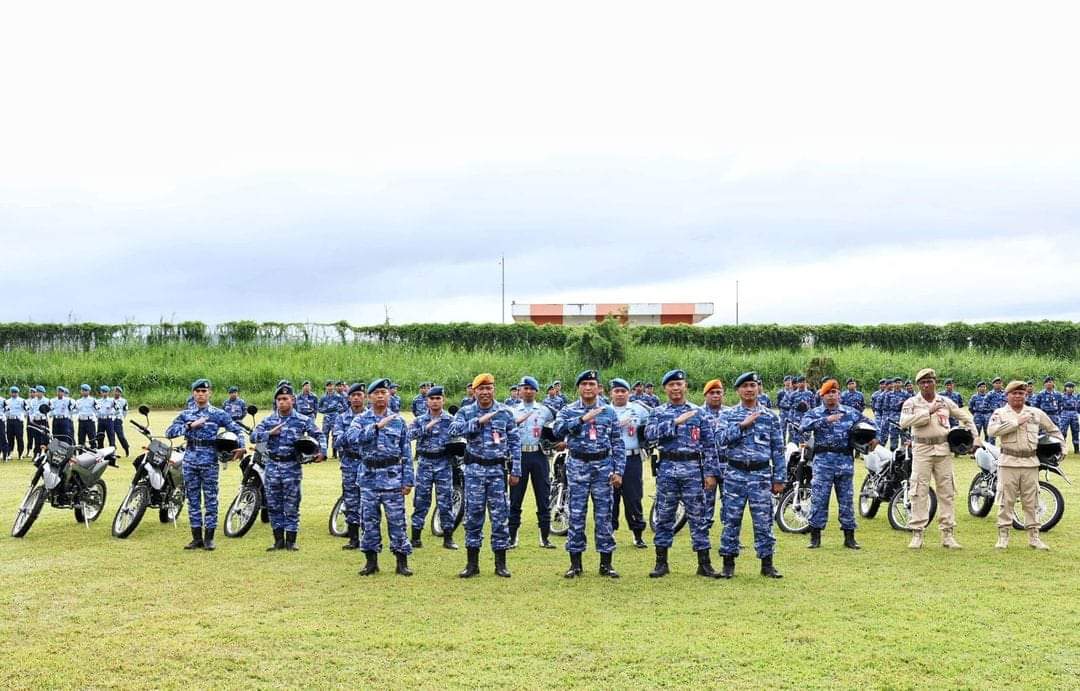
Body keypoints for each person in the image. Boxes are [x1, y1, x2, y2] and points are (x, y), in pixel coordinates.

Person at [644, 369, 722, 579]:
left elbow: (709, 445)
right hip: (668, 468)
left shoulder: (699, 413)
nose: (675, 388)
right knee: (664, 516)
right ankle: (661, 563)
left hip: (693, 471)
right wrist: (674, 423)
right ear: (665, 389)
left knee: (699, 517)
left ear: (685, 386)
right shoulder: (658, 412)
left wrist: (711, 473)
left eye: (679, 384)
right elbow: (648, 435)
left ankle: (704, 564)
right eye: (671, 385)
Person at [553, 370, 625, 579]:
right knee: (576, 514)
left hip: (603, 466)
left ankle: (606, 564)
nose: (588, 388)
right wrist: (582, 419)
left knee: (604, 516)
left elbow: (618, 443)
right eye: (584, 384)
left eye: (592, 384)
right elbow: (558, 431)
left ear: (598, 388)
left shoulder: (609, 411)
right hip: (578, 465)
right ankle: (575, 564)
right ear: (578, 388)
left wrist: (619, 471)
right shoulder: (568, 410)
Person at [449, 373, 521, 578]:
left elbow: (515, 442)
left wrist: (516, 470)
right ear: (474, 391)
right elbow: (454, 430)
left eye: (489, 388)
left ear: (494, 390)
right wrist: (478, 422)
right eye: (481, 389)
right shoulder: (466, 411)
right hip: (474, 472)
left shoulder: (505, 412)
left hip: (498, 471)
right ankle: (472, 564)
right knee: (473, 517)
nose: (485, 392)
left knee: (500, 516)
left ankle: (501, 564)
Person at [716, 372, 786, 579]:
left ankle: (767, 564)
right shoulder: (728, 415)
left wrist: (779, 478)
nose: (749, 389)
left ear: (758, 388)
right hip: (735, 473)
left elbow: (778, 449)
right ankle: (728, 564)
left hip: (761, 474)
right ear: (738, 391)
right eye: (745, 386)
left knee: (763, 521)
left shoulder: (770, 416)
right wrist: (741, 426)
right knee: (731, 519)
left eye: (752, 385)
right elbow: (719, 439)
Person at [899, 368, 979, 549]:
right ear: (918, 385)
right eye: (922, 383)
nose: (926, 385)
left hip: (943, 449)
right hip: (922, 449)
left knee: (947, 492)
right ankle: (917, 533)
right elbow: (904, 422)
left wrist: (975, 437)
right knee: (919, 490)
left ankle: (947, 534)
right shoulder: (912, 402)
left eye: (929, 381)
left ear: (936, 382)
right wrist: (927, 411)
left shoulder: (945, 401)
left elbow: (965, 417)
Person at [165, 379, 247, 550]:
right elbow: (169, 432)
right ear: (193, 393)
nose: (201, 394)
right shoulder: (186, 414)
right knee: (193, 500)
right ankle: (196, 538)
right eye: (198, 391)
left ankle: (209, 538)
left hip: (209, 460)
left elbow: (236, 429)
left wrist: (241, 445)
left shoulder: (217, 414)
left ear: (210, 393)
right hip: (190, 460)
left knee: (210, 500)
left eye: (204, 391)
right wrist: (190, 426)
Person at [800, 379, 876, 550]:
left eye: (834, 392)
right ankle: (815, 536)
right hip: (823, 462)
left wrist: (874, 438)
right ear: (822, 395)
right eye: (828, 393)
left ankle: (849, 537)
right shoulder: (815, 413)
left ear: (839, 394)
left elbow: (872, 424)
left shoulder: (850, 412)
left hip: (844, 461)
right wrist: (826, 420)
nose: (832, 395)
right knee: (819, 499)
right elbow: (802, 427)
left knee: (846, 500)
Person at [987, 380, 1063, 550]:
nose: (1018, 396)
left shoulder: (1035, 413)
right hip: (1009, 462)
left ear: (1026, 395)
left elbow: (1053, 429)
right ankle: (1003, 536)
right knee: (1006, 500)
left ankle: (1034, 537)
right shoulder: (1000, 413)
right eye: (1014, 393)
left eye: (1021, 393)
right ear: (1007, 395)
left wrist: (1062, 447)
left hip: (1030, 463)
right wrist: (1016, 422)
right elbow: (992, 431)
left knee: (1032, 501)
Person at [348, 378, 413, 575]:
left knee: (397, 521)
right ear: (369, 397)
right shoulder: (360, 420)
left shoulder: (399, 421)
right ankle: (371, 562)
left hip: (393, 477)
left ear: (389, 395)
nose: (380, 396)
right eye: (376, 393)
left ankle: (402, 562)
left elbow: (407, 453)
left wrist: (408, 480)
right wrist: (375, 428)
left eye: (383, 393)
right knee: (369, 521)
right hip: (368, 478)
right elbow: (351, 439)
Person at [251, 383, 325, 552]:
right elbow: (254, 437)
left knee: (292, 504)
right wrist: (269, 433)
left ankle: (291, 540)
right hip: (272, 466)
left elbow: (319, 434)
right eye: (279, 399)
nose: (282, 402)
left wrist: (322, 452)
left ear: (292, 400)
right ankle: (278, 541)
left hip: (292, 466)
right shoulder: (269, 420)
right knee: (274, 504)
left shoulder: (302, 420)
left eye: (285, 399)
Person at [408, 385, 459, 551]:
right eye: (432, 399)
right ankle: (415, 537)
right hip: (425, 463)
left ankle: (448, 537)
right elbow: (407, 436)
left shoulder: (451, 420)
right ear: (427, 401)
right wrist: (426, 428)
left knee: (446, 501)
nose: (435, 401)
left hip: (444, 463)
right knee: (421, 501)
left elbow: (460, 439)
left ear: (443, 400)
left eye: (438, 398)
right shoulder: (420, 420)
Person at [508, 376, 557, 549]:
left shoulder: (545, 410)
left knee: (543, 497)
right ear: (519, 391)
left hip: (539, 456)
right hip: (519, 456)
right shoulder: (512, 411)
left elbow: (557, 429)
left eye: (531, 388)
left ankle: (544, 538)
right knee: (515, 498)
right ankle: (512, 537)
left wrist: (555, 442)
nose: (528, 391)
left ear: (536, 391)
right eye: (524, 388)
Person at [609, 378, 651, 548]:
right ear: (610, 393)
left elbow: (650, 424)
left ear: (629, 393)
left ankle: (637, 534)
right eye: (616, 391)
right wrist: (619, 425)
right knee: (610, 498)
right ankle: (609, 532)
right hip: (610, 458)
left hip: (632, 458)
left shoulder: (638, 410)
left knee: (633, 497)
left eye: (623, 391)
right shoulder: (604, 411)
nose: (620, 394)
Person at [333, 383, 368, 550]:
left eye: (359, 395)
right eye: (353, 395)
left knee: (369, 500)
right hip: (349, 464)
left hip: (368, 464)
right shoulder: (341, 418)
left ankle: (369, 537)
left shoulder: (372, 417)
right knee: (351, 500)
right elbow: (338, 441)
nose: (356, 398)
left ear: (365, 397)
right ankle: (353, 538)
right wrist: (355, 430)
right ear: (349, 398)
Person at [698, 378, 728, 533]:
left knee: (729, 502)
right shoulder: (697, 414)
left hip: (728, 464)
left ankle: (729, 535)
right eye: (712, 393)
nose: (716, 395)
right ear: (706, 395)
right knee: (705, 502)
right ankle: (702, 536)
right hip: (706, 464)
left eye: (719, 392)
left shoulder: (730, 413)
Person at [318, 380, 346, 458]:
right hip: (326, 418)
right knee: (324, 435)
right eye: (328, 386)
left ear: (333, 387)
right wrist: (325, 410)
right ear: (326, 387)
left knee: (335, 435)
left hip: (335, 417)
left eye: (331, 386)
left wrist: (338, 411)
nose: (330, 387)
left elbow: (345, 406)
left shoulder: (338, 397)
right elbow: (318, 408)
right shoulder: (323, 397)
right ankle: (324, 453)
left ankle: (335, 453)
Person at [4, 386, 27, 460]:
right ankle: (9, 453)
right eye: (13, 392)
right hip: (10, 420)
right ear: (10, 393)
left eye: (15, 393)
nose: (14, 394)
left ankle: (20, 453)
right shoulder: (7, 401)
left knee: (19, 438)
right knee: (10, 437)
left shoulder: (22, 401)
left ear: (18, 393)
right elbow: (5, 411)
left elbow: (27, 409)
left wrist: (23, 416)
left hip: (18, 421)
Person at [74, 384, 98, 448]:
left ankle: (94, 453)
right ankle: (81, 454)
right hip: (81, 421)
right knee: (81, 439)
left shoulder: (93, 400)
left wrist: (96, 417)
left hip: (89, 421)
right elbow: (75, 411)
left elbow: (97, 410)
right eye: (83, 390)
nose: (84, 392)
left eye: (86, 390)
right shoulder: (78, 401)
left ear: (89, 391)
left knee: (92, 438)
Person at [985, 378, 1007, 444]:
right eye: (996, 383)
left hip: (1004, 417)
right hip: (994, 417)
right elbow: (985, 405)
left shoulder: (1005, 394)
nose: (998, 385)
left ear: (1002, 384)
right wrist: (992, 411)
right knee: (992, 436)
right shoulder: (990, 394)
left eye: (999, 383)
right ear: (993, 384)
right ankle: (991, 450)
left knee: (1005, 435)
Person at [111, 386, 131, 456]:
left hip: (118, 420)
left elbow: (125, 411)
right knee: (111, 437)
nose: (116, 393)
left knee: (120, 436)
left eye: (118, 392)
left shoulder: (123, 401)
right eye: (115, 391)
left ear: (120, 393)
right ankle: (113, 452)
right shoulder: (110, 400)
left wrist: (122, 418)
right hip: (110, 420)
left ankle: (126, 448)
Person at [1061, 382, 1079, 454]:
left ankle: (1076, 449)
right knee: (1063, 432)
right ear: (1065, 388)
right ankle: (1062, 448)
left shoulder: (1075, 397)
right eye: (1069, 387)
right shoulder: (1062, 396)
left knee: (1075, 432)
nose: (1071, 389)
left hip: (1074, 415)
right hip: (1064, 414)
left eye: (1072, 387)